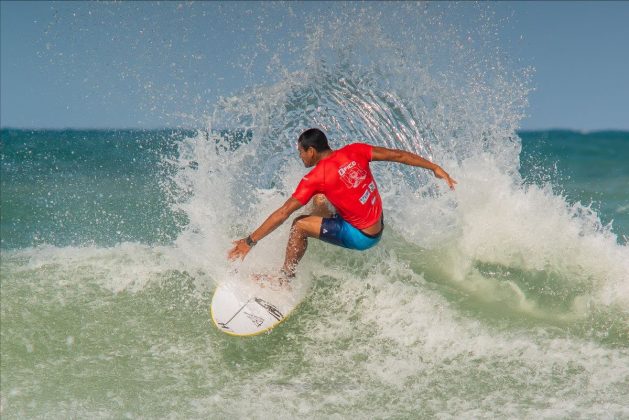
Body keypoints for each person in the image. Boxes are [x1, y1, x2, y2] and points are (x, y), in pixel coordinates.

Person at [228, 128, 456, 279]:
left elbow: (284, 212)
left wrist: (250, 241)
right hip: (377, 220)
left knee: (298, 224)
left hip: (362, 236)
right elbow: (398, 156)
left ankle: (284, 278)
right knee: (319, 199)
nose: (300, 157)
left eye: (301, 152)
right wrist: (435, 168)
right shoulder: (355, 150)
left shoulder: (316, 177)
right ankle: (313, 235)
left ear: (312, 150)